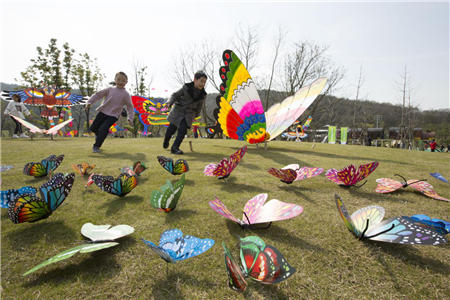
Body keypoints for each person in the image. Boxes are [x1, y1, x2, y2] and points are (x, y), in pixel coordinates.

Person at [85, 72, 134, 153]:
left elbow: (130, 107)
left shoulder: (126, 94)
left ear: (126, 82)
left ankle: (96, 146)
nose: (121, 82)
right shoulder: (110, 89)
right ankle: (101, 135)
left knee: (103, 129)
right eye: (118, 80)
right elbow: (98, 95)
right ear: (115, 80)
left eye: (123, 80)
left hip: (113, 115)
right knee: (93, 128)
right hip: (103, 112)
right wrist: (89, 102)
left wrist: (130, 118)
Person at [163, 71, 207, 154]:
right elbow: (175, 95)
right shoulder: (186, 87)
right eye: (201, 81)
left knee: (182, 131)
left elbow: (199, 107)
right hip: (178, 111)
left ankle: (175, 148)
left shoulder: (203, 95)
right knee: (171, 129)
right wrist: (169, 102)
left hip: (188, 114)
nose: (203, 84)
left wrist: (195, 117)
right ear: (195, 79)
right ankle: (166, 139)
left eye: (204, 82)